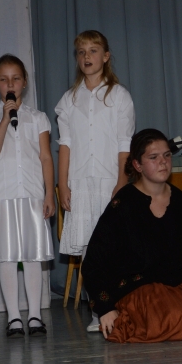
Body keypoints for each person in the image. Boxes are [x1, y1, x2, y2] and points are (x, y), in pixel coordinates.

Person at [82, 129, 182, 343]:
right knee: (168, 316)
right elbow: (93, 263)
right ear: (137, 165)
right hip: (140, 288)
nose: (163, 162)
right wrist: (105, 308)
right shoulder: (122, 205)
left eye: (166, 155)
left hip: (180, 286)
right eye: (153, 157)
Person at [55, 31, 135, 333]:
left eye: (93, 50)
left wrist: (122, 179)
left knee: (114, 247)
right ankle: (97, 309)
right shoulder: (69, 100)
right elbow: (65, 144)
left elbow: (124, 142)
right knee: (89, 250)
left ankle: (120, 306)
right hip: (80, 182)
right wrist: (63, 184)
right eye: (81, 51)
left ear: (106, 56)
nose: (86, 56)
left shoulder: (119, 96)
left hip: (109, 180)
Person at [0, 54, 56, 338]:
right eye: (3, 79)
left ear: (24, 82)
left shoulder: (38, 118)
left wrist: (49, 194)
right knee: (7, 257)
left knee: (33, 255)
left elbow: (46, 157)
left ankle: (35, 315)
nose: (10, 84)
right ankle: (13, 317)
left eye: (15, 78)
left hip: (33, 192)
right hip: (3, 195)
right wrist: (4, 118)